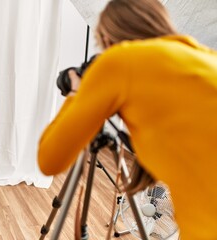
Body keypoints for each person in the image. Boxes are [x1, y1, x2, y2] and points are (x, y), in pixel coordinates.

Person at [37, 0, 217, 239]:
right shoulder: (206, 57)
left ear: (110, 39)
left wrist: (76, 91)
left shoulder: (121, 59)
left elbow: (49, 160)